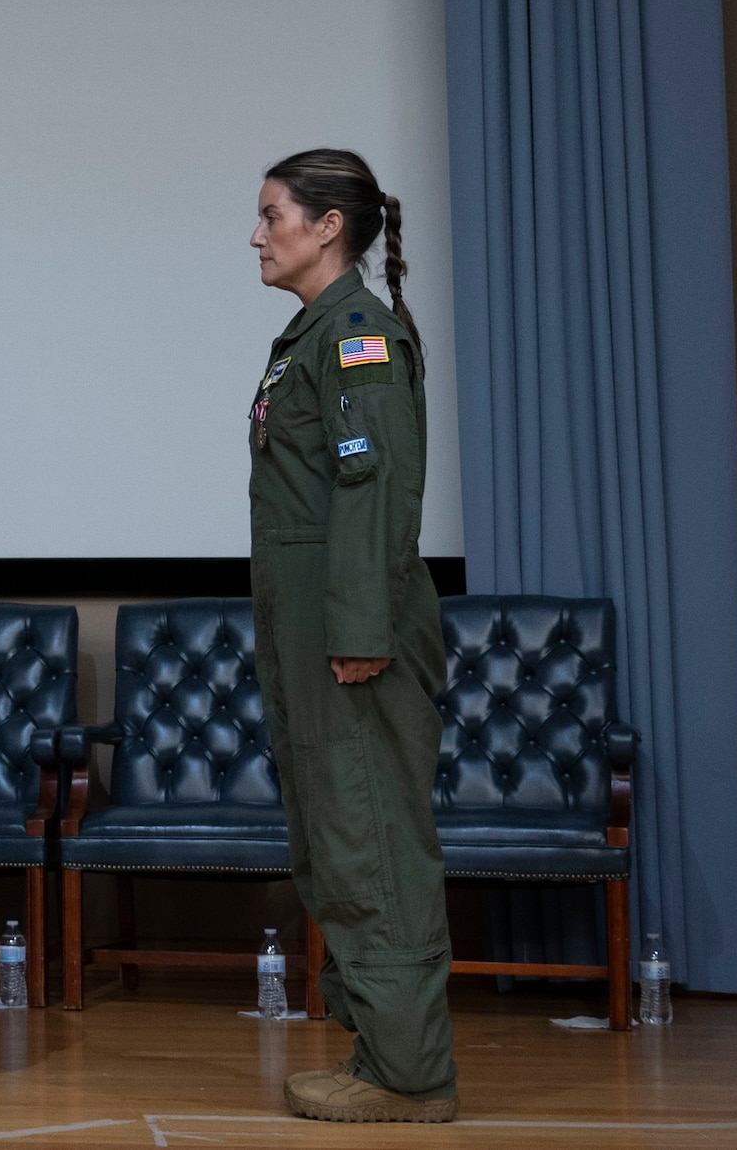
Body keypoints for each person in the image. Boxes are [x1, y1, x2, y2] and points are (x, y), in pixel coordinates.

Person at [246, 148, 457, 1124]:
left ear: (326, 225)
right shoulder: (309, 334)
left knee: (369, 840)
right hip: (308, 617)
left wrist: (359, 627)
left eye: (270, 215)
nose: (256, 234)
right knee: (334, 837)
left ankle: (408, 1075)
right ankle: (381, 1051)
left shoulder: (358, 335)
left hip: (349, 622)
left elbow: (374, 491)